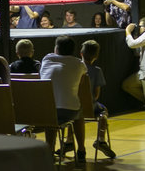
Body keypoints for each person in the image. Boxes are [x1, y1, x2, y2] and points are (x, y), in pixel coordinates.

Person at [39, 36, 88, 164]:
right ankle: (81, 150)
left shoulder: (47, 59)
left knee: (51, 114)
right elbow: (82, 83)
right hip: (69, 111)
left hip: (44, 112)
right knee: (78, 114)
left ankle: (49, 150)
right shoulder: (79, 64)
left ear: (56, 49)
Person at [81, 40, 116, 159]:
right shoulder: (97, 71)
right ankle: (101, 139)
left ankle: (69, 141)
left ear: (81, 53)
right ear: (96, 56)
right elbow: (96, 94)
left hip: (74, 105)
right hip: (90, 106)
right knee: (103, 112)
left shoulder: (75, 68)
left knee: (75, 117)